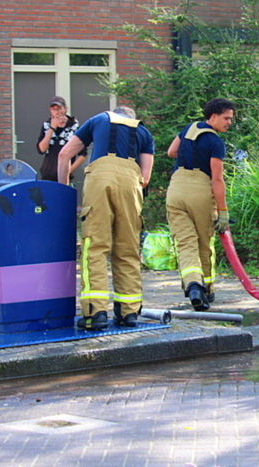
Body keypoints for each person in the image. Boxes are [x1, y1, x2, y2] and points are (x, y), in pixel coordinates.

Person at [58, 106, 154, 330]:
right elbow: (146, 177)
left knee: (95, 245)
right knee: (128, 248)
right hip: (131, 184)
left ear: (115, 113)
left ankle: (95, 312)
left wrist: (63, 191)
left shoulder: (99, 119)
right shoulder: (144, 132)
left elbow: (64, 154)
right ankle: (128, 312)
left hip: (100, 181)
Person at [166, 98, 235, 312]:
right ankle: (207, 289)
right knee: (205, 243)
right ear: (213, 116)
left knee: (185, 243)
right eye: (226, 118)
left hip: (175, 189)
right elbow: (217, 179)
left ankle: (193, 285)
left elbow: (171, 152)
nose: (229, 123)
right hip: (200, 192)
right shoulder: (215, 142)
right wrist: (222, 211)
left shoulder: (189, 128)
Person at [36, 96, 86, 182]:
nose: (56, 112)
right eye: (53, 109)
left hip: (65, 177)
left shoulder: (75, 126)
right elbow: (41, 149)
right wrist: (52, 128)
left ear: (65, 109)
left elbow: (82, 154)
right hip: (47, 175)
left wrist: (69, 170)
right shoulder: (46, 125)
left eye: (59, 109)